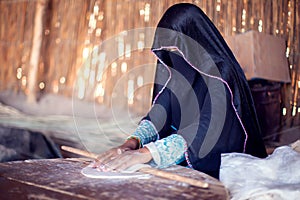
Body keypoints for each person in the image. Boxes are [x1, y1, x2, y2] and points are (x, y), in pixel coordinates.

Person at [92, 3, 267, 179]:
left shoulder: (222, 73)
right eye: (168, 50)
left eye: (178, 49)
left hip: (225, 156)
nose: (174, 56)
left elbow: (207, 129)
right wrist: (131, 143)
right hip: (186, 149)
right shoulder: (177, 73)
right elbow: (160, 113)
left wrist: (146, 153)